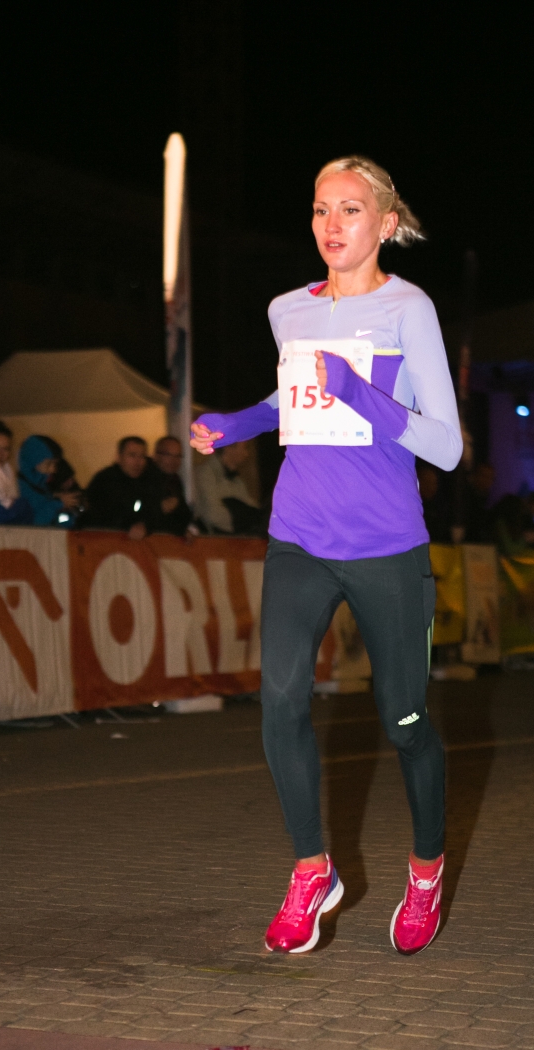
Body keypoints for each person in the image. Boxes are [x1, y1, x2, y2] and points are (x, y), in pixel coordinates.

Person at [191, 155, 462, 956]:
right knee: (279, 703)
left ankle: (426, 869)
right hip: (300, 536)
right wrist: (237, 424)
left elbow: (446, 447)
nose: (331, 224)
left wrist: (360, 391)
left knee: (405, 723)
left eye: (350, 209)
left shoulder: (410, 309)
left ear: (385, 223)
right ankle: (313, 869)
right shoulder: (289, 310)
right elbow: (294, 398)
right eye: (319, 209)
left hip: (386, 544)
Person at [82, 436, 159, 538]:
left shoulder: (149, 481)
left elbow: (152, 511)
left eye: (142, 456)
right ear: (119, 457)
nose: (138, 462)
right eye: (132, 455)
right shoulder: (105, 480)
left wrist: (145, 525)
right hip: (101, 538)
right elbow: (103, 515)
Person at [193, 441, 265, 535]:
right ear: (228, 448)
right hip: (213, 538)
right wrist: (243, 521)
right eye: (244, 448)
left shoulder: (237, 480)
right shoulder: (206, 473)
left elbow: (249, 504)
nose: (246, 454)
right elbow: (212, 514)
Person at [17, 435, 81, 527]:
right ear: (33, 461)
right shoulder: (18, 488)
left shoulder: (41, 487)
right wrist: (58, 503)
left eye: (54, 464)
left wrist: (69, 515)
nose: (52, 469)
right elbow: (32, 524)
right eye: (48, 464)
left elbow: (54, 522)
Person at [147, 436, 198, 537]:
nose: (174, 460)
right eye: (168, 455)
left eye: (178, 456)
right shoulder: (145, 479)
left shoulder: (175, 481)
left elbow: (183, 514)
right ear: (156, 456)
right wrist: (160, 508)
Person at [463, 462, 494, 543]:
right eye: (484, 476)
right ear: (474, 476)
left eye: (490, 477)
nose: (487, 480)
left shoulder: (490, 502)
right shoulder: (464, 499)